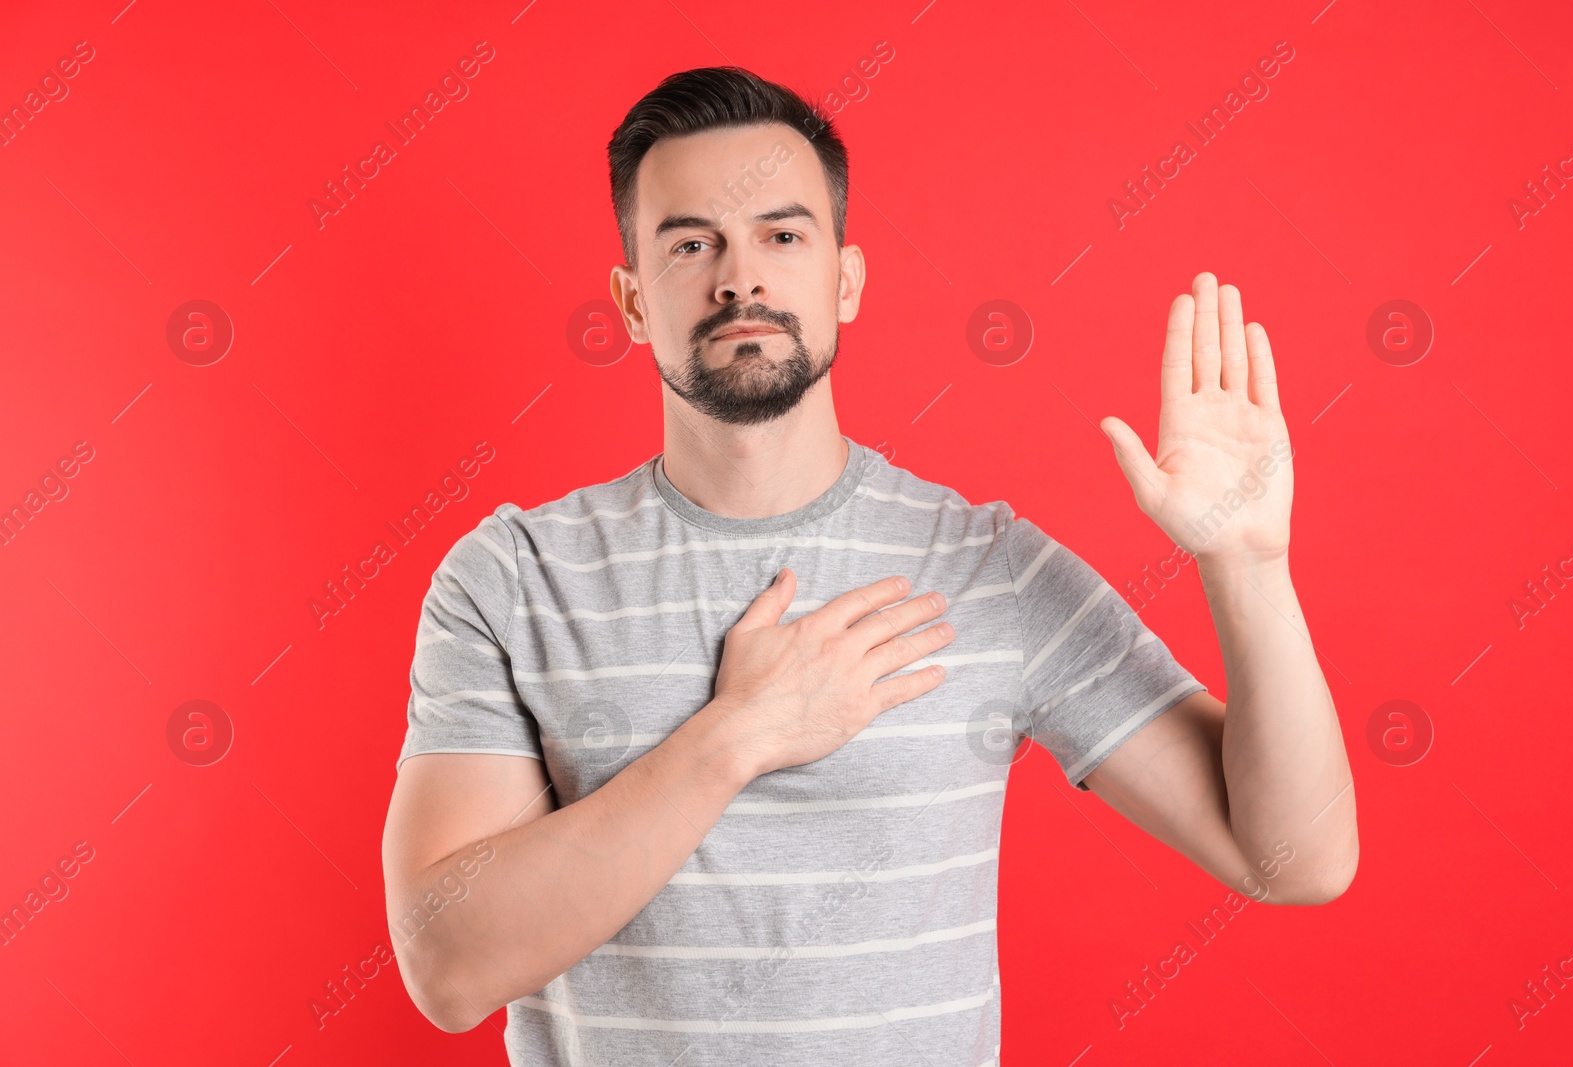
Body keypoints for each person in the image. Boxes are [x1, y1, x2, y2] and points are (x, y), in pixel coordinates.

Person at [380, 66, 1358, 1065]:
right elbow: (447, 968)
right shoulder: (513, 575)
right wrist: (737, 734)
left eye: (782, 235)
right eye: (690, 243)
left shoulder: (989, 569)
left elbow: (1295, 854)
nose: (739, 278)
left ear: (844, 279)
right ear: (633, 301)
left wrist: (1248, 564)